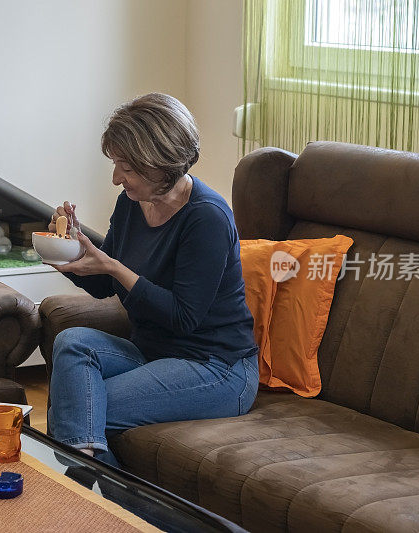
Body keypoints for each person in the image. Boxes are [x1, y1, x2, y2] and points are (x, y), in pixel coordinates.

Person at [47, 93, 259, 465]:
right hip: (151, 352)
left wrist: (114, 266)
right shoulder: (131, 202)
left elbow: (183, 317)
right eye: (115, 164)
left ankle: (89, 499)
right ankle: (93, 496)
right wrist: (73, 252)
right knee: (73, 342)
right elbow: (105, 284)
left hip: (216, 367)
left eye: (125, 166)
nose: (116, 178)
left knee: (80, 405)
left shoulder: (206, 218)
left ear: (159, 162)